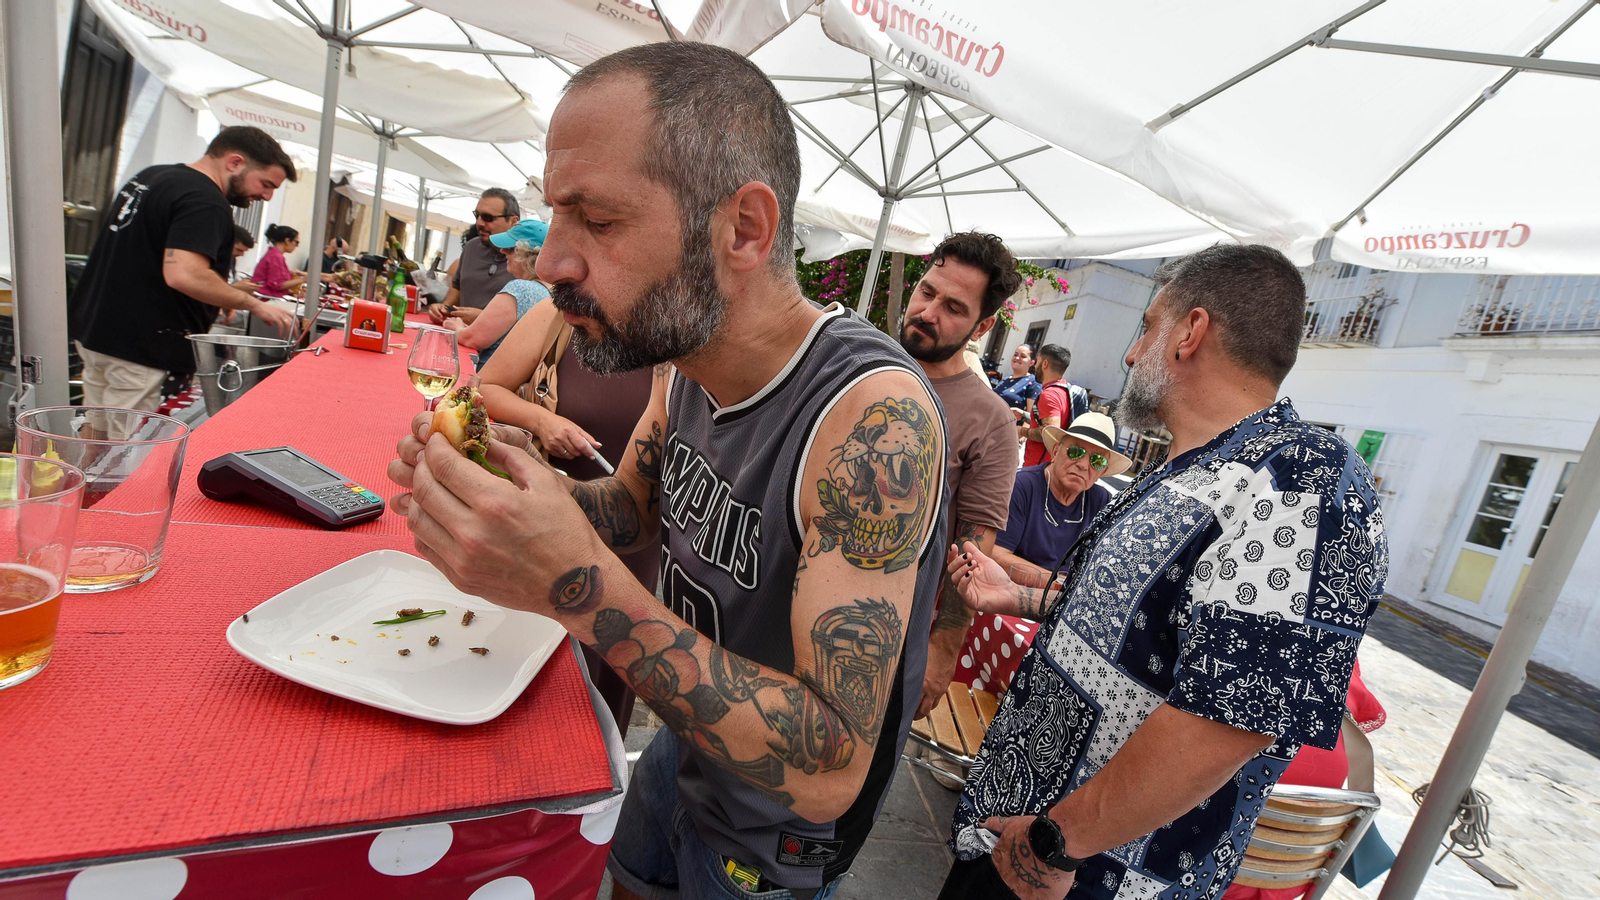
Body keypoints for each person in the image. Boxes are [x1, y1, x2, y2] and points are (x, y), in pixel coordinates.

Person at [390, 42, 947, 900]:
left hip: (771, 833)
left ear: (743, 230)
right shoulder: (685, 354)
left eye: (599, 221)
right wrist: (498, 492)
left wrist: (571, 584)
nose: (550, 264)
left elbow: (833, 759)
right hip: (680, 747)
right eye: (555, 216)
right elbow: (631, 508)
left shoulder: (874, 420)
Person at [939, 244, 1388, 900]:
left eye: (1146, 326)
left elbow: (1236, 717)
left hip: (1088, 875)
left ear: (1191, 332)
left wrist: (1055, 843)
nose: (1129, 352)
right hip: (1020, 838)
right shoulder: (1203, 466)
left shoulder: (1303, 478)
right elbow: (1142, 628)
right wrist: (1021, 596)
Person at [476, 220, 651, 737]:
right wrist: (542, 421)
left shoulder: (675, 340)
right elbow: (486, 387)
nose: (556, 264)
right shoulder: (558, 315)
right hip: (546, 515)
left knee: (599, 692)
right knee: (531, 686)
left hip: (636, 544)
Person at [69, 125, 297, 412]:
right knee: (128, 450)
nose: (266, 197)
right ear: (234, 162)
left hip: (98, 331)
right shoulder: (206, 200)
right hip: (144, 347)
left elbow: (148, 256)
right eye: (266, 184)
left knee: (97, 434)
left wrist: (218, 295)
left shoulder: (151, 176)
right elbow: (184, 274)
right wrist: (252, 304)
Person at [897, 231, 1021, 719]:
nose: (928, 313)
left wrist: (943, 652)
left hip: (892, 636)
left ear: (983, 325)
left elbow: (972, 551)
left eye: (953, 307)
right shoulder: (859, 364)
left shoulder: (989, 419)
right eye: (927, 292)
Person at [990, 413, 1124, 587]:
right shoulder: (1022, 486)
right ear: (1055, 451)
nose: (1083, 465)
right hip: (1011, 593)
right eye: (1076, 452)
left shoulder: (1102, 501)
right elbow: (998, 556)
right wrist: (1061, 585)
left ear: (1102, 471)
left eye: (1096, 460)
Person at [453, 219, 551, 367]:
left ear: (528, 255)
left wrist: (456, 328)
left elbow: (472, 339)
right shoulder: (551, 293)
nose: (502, 251)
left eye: (510, 248)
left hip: (486, 380)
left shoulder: (521, 289)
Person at [426, 188, 518, 324]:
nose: (479, 223)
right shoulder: (471, 247)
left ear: (513, 221)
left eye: (488, 218)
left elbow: (535, 318)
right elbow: (456, 291)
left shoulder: (528, 259)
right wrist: (442, 309)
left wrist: (485, 318)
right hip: (460, 336)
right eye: (477, 215)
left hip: (500, 344)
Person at [1019, 344, 1089, 467]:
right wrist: (1024, 415)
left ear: (1045, 364)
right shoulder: (1065, 391)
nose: (1035, 366)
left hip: (1038, 467)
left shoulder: (1049, 395)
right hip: (1050, 465)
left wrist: (1021, 431)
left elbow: (1049, 432)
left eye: (1038, 362)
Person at [251, 224, 308, 298]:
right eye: (296, 242)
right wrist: (303, 280)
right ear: (287, 241)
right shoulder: (275, 257)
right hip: (266, 299)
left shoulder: (275, 255)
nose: (297, 246)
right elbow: (278, 285)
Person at [993, 343, 1041, 419]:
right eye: (1015, 355)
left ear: (1031, 363)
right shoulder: (1006, 379)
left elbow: (1031, 417)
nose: (1017, 358)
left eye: (1023, 356)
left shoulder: (1033, 383)